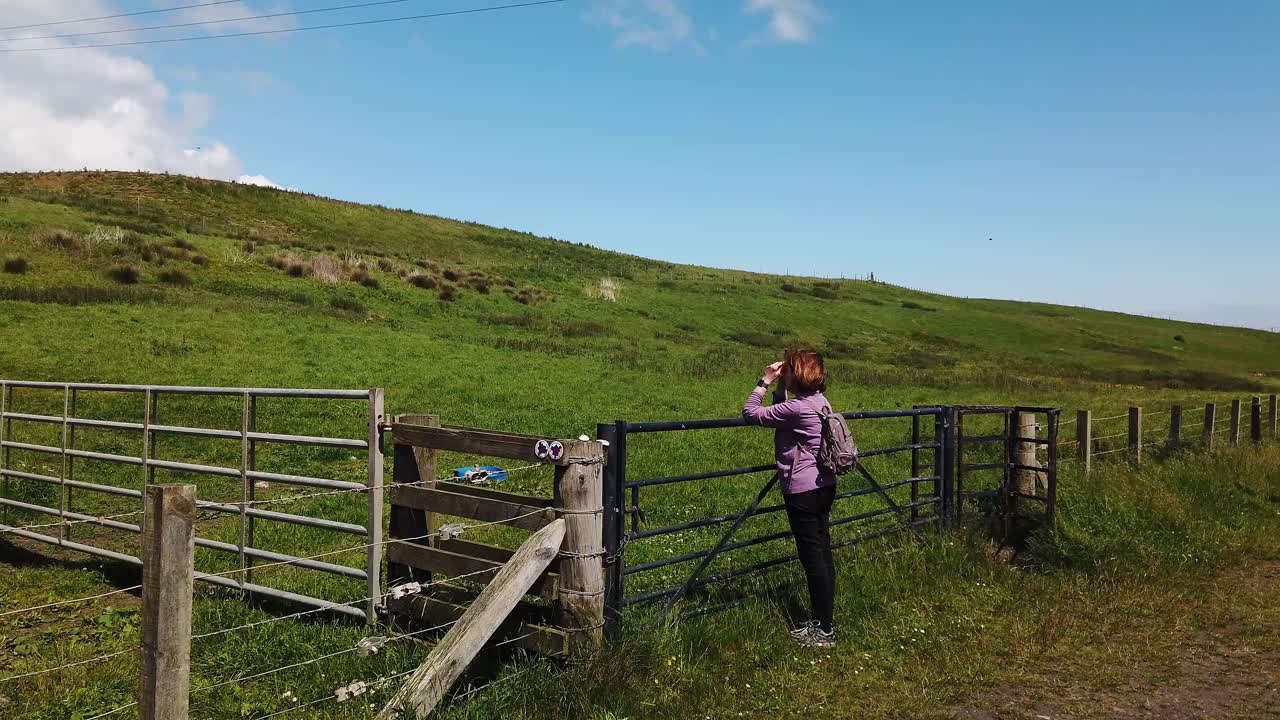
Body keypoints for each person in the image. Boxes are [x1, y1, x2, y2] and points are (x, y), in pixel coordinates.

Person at [742, 349, 838, 648]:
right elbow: (783, 413)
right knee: (822, 552)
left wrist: (765, 380)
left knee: (813, 559)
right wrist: (784, 385)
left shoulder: (798, 408)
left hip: (803, 489)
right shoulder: (818, 402)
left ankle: (823, 631)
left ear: (797, 374)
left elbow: (751, 413)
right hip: (824, 484)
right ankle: (824, 622)